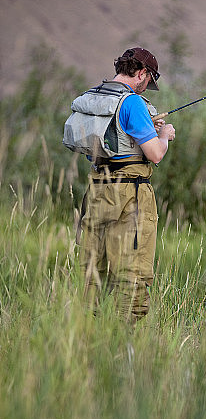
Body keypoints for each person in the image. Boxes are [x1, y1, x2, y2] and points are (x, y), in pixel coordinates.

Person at [71, 47, 175, 322]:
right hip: (130, 196)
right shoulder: (132, 103)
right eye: (147, 82)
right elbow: (155, 154)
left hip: (96, 194)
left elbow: (110, 140)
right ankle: (125, 347)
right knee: (131, 274)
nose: (145, 89)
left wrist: (144, 127)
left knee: (93, 271)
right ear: (142, 73)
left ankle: (88, 338)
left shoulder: (95, 96)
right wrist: (163, 135)